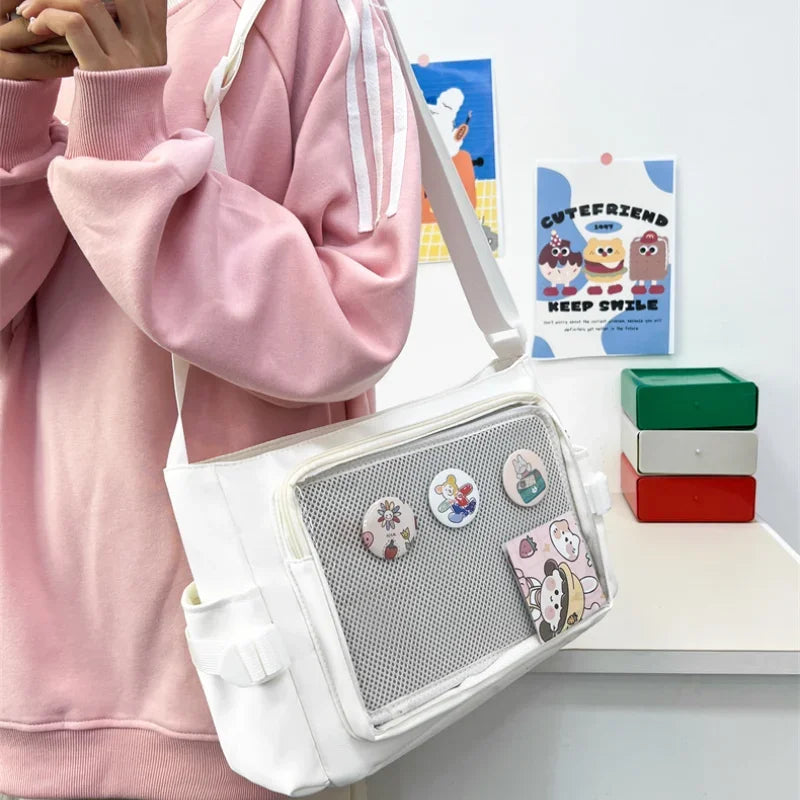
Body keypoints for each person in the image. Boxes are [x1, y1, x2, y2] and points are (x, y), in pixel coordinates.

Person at [0, 0, 420, 797]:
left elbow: (352, 322)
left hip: (251, 685)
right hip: (32, 672)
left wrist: (130, 137)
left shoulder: (317, 16)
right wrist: (11, 118)